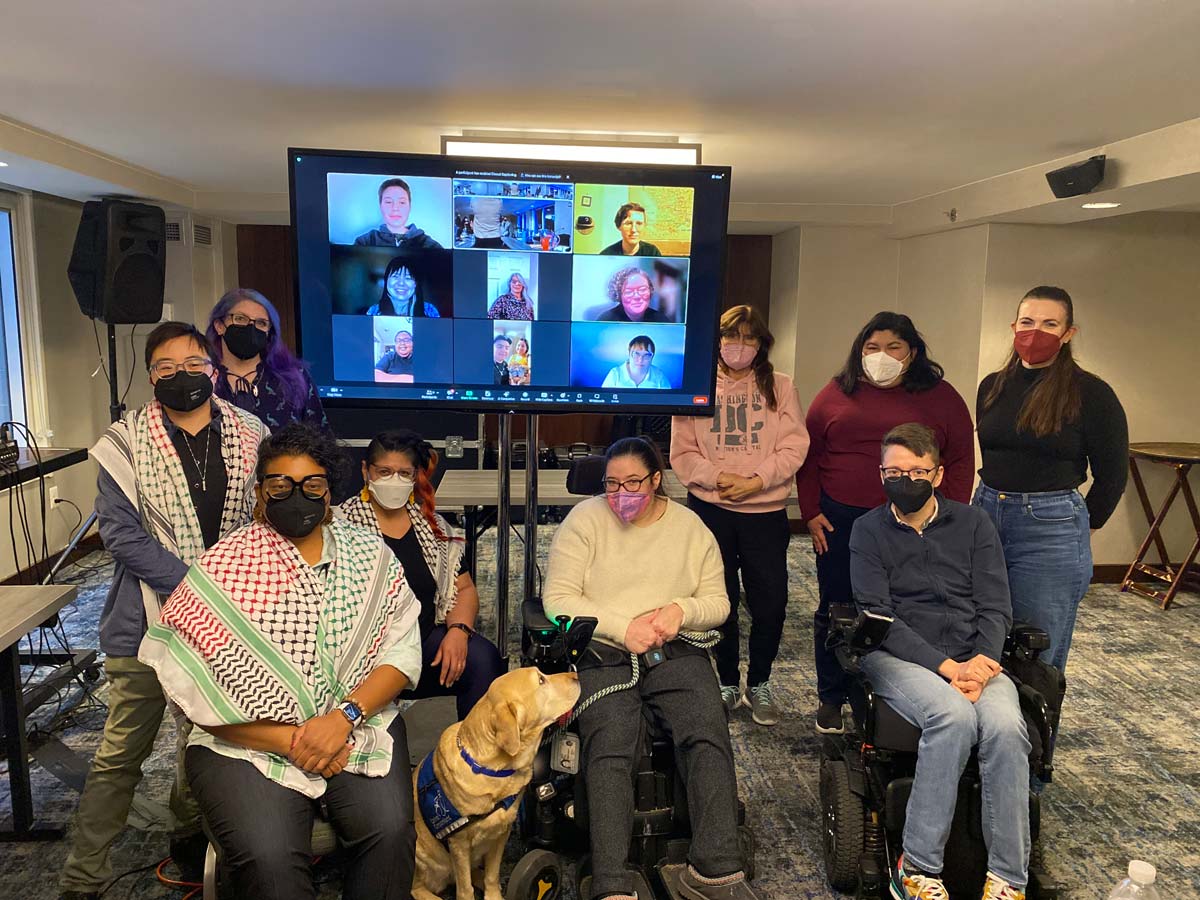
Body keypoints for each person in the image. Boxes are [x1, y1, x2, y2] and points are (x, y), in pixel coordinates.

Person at [140, 424, 423, 900]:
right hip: (245, 743)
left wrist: (342, 719)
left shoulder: (369, 555)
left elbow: (401, 653)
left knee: (390, 832)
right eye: (280, 486)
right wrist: (294, 738)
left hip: (357, 722)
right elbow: (196, 692)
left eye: (311, 485)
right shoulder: (225, 565)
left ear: (328, 493)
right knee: (269, 857)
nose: (297, 496)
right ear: (259, 493)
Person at [60, 323, 267, 900]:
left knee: (207, 741)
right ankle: (84, 875)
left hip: (227, 619)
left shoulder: (251, 434)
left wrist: (222, 593)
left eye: (194, 361)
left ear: (213, 367)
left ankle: (188, 839)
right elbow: (121, 535)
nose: (183, 374)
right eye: (167, 366)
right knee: (121, 752)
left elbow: (263, 521)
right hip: (144, 622)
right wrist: (194, 584)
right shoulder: (123, 444)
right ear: (152, 376)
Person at [544, 438, 761, 900]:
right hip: (604, 651)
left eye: (633, 483)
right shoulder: (583, 522)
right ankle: (610, 879)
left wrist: (680, 611)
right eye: (612, 483)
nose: (621, 493)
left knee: (706, 729)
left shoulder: (689, 527)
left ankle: (715, 870)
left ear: (657, 480)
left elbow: (718, 603)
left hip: (674, 647)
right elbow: (558, 600)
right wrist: (624, 629)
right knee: (612, 743)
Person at [850, 424, 1030, 900]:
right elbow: (880, 618)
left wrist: (984, 664)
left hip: (977, 658)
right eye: (893, 471)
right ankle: (917, 869)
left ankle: (1009, 878)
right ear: (880, 472)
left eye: (915, 471)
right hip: (898, 656)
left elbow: (996, 605)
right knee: (952, 717)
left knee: (1008, 728)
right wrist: (949, 670)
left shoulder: (974, 525)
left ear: (938, 473)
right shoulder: (867, 530)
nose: (903, 479)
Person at [796, 311, 974, 736]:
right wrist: (810, 511)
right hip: (841, 519)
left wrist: (945, 518)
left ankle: (907, 689)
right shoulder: (838, 392)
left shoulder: (941, 397)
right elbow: (810, 454)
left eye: (893, 347)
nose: (882, 356)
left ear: (912, 353)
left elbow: (962, 460)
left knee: (905, 607)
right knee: (838, 607)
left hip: (913, 522)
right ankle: (831, 697)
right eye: (872, 348)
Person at [975, 286, 1128, 673]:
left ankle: (1031, 735)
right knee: (979, 633)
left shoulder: (1091, 392)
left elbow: (1112, 475)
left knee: (1035, 649)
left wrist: (1079, 527)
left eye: (1049, 324)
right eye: (1027, 322)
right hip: (987, 512)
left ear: (1068, 333)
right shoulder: (992, 385)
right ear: (1013, 326)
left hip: (1050, 527)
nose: (1035, 332)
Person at [670, 305, 809, 726]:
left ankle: (761, 681)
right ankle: (728, 681)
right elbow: (683, 452)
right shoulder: (695, 385)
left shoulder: (780, 386)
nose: (740, 346)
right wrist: (718, 478)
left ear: (761, 343)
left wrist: (756, 480)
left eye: (749, 338)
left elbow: (793, 447)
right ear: (717, 340)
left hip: (765, 514)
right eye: (732, 336)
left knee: (771, 603)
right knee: (719, 600)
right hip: (712, 511)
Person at [338, 430, 506, 720]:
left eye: (404, 473)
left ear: (416, 477)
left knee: (483, 658)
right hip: (362, 654)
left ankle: (475, 756)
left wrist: (458, 632)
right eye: (385, 471)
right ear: (366, 471)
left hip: (423, 643)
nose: (394, 480)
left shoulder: (433, 528)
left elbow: (464, 589)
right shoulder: (338, 526)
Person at [207, 287, 329, 433]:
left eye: (261, 323)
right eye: (240, 318)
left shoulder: (295, 379)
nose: (250, 327)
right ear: (219, 326)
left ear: (269, 332)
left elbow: (321, 441)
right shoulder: (205, 378)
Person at [353, 177, 444, 249]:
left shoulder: (428, 245)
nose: (395, 208)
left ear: (410, 206)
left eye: (402, 202)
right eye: (388, 202)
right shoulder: (365, 242)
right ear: (380, 205)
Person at [365, 257, 440, 317]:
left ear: (416, 284)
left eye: (408, 278)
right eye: (395, 276)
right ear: (386, 280)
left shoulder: (430, 311)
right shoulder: (374, 311)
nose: (401, 283)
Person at [596, 267, 669, 323]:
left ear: (650, 291)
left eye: (642, 289)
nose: (637, 296)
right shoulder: (605, 320)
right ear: (619, 295)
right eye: (629, 292)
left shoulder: (661, 320)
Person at [601, 335, 671, 389]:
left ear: (652, 357)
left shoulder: (659, 376)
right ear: (629, 353)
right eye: (636, 354)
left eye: (646, 355)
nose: (640, 360)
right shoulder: (615, 374)